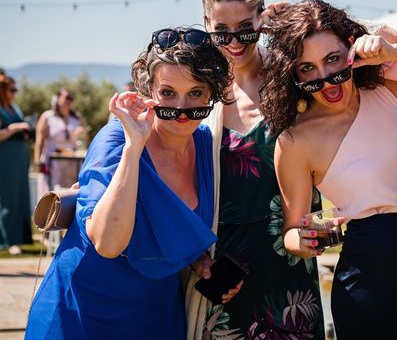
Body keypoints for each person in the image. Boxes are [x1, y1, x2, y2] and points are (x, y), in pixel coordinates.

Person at [26, 27, 239, 339]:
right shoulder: (116, 140)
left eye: (195, 93)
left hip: (155, 314)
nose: (181, 109)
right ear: (149, 89)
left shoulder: (207, 147)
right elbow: (108, 244)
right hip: (83, 312)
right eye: (168, 93)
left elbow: (165, 223)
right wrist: (133, 147)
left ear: (212, 94)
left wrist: (196, 258)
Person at [260, 0, 397, 339]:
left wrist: (391, 51)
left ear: (351, 49)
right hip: (371, 277)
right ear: (291, 74)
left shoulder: (385, 87)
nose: (326, 80)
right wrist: (311, 238)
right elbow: (291, 232)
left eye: (333, 59)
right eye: (307, 69)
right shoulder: (296, 140)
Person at [183, 0, 325, 340]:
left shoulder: (292, 75)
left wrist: (294, 20)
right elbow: (174, 175)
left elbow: (358, 54)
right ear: (206, 26)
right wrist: (194, 253)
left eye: (246, 29)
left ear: (262, 19)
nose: (234, 43)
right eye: (222, 32)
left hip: (291, 264)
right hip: (224, 273)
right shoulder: (197, 93)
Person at [0, 75, 32, 255]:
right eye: (11, 90)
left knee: (20, 197)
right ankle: (8, 241)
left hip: (20, 157)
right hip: (5, 158)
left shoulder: (14, 108)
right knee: (8, 197)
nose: (14, 93)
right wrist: (15, 129)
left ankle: (21, 238)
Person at [34, 88, 85, 196]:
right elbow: (39, 140)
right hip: (53, 160)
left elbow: (83, 137)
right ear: (57, 99)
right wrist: (37, 161)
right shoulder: (48, 117)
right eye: (66, 97)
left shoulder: (76, 118)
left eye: (71, 98)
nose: (68, 100)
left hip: (70, 161)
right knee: (51, 189)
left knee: (70, 190)